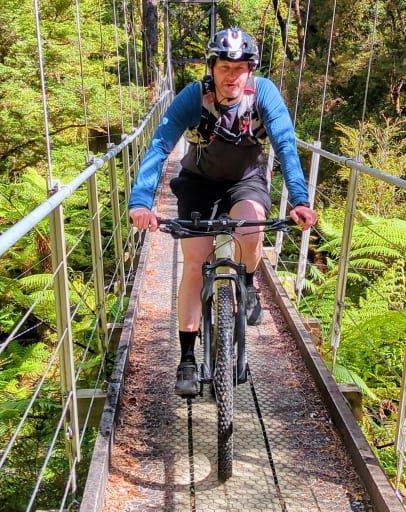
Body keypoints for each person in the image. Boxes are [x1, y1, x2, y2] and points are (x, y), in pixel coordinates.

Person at [128, 26, 318, 396]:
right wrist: (141, 202)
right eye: (225, 68)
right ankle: (186, 357)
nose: (232, 76)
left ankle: (247, 284)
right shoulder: (192, 97)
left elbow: (286, 144)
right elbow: (159, 145)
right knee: (195, 262)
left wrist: (299, 198)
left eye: (241, 68)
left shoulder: (264, 94)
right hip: (198, 183)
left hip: (245, 181)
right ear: (211, 68)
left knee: (251, 229)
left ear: (251, 71)